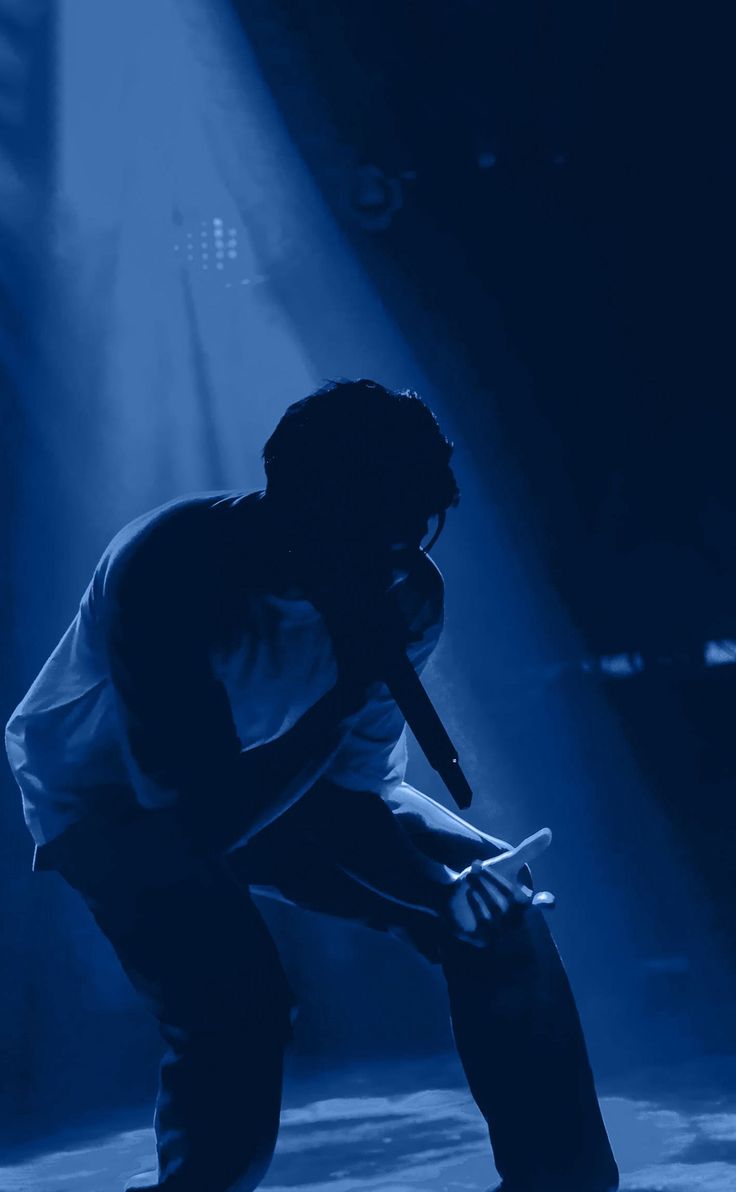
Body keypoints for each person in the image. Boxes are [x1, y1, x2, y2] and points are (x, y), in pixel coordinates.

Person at [5, 379, 619, 1192]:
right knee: (236, 1004)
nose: (394, 558)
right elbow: (202, 818)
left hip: (283, 781)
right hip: (112, 805)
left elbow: (356, 793)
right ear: (298, 497)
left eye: (412, 534)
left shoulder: (406, 588)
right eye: (373, 532)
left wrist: (455, 884)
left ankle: (560, 1184)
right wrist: (350, 690)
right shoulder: (167, 566)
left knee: (498, 912)